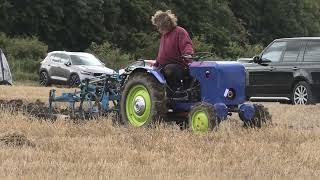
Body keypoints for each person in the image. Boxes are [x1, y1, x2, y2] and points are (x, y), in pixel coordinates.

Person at [151, 10, 194, 91]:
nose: (158, 29)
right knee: (152, 72)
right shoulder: (164, 36)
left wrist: (188, 54)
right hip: (163, 65)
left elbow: (186, 45)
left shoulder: (180, 32)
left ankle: (177, 91)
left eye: (159, 27)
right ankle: (164, 94)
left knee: (169, 69)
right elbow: (162, 53)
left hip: (179, 65)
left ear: (165, 25)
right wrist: (157, 62)